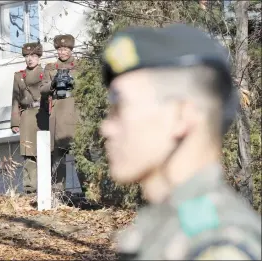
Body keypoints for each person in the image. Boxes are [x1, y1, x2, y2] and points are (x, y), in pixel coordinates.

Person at [100, 24, 261, 260]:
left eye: (119, 108)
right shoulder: (171, 225)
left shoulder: (216, 245)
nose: (106, 127)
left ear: (181, 117)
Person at [40, 34, 85, 193]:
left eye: (66, 49)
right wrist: (53, 82)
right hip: (58, 112)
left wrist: (73, 81)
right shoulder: (51, 68)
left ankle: (89, 191)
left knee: (81, 155)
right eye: (60, 49)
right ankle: (58, 192)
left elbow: (87, 87)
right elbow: (42, 89)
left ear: (71, 49)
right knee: (58, 155)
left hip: (75, 112)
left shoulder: (80, 65)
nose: (63, 52)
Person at [11, 42, 49, 194]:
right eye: (27, 56)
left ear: (39, 57)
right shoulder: (19, 76)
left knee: (46, 153)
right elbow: (15, 100)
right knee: (29, 155)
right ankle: (30, 189)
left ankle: (48, 187)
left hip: (43, 114)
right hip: (26, 116)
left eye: (33, 56)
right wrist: (15, 122)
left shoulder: (46, 73)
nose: (30, 59)